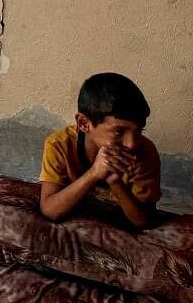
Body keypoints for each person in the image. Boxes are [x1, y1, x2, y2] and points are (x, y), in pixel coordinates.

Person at [38, 73, 161, 229]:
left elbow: (144, 221)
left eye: (138, 131)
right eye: (119, 132)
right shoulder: (59, 145)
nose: (131, 143)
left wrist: (115, 182)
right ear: (83, 123)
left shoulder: (144, 152)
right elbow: (50, 210)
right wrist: (94, 173)